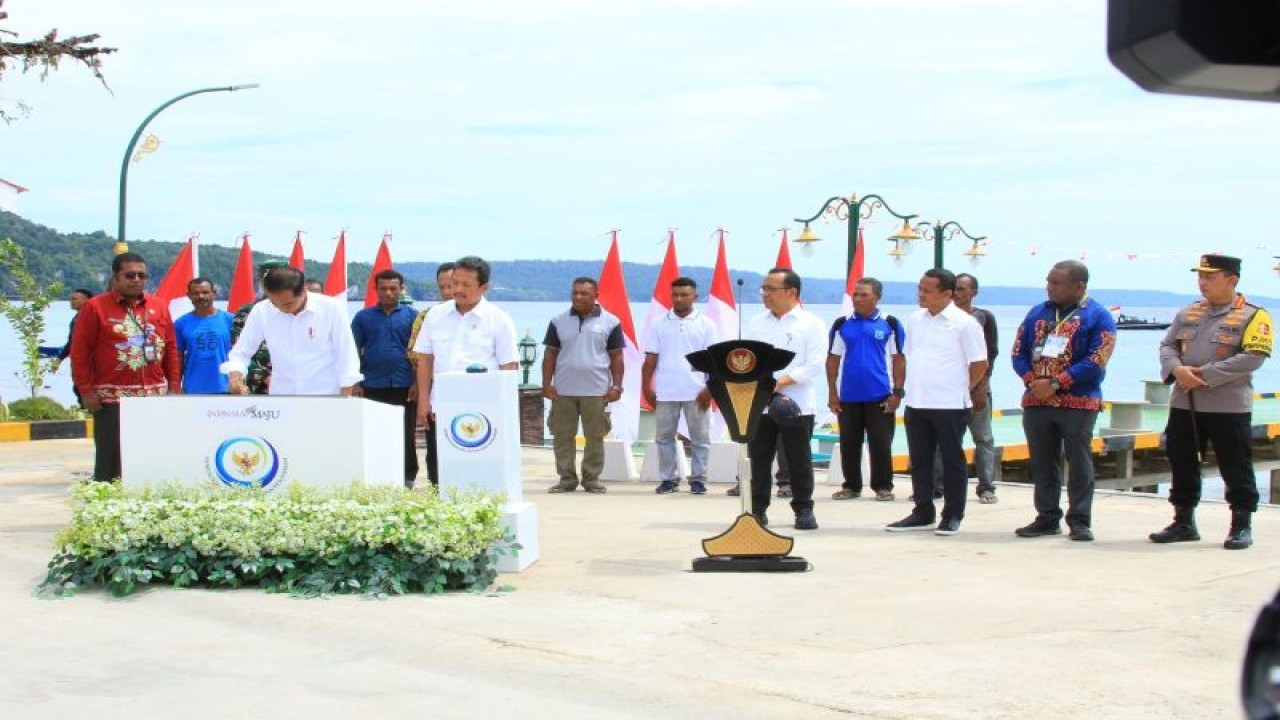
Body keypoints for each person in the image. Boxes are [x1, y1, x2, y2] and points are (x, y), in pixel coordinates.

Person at [1151, 254, 1272, 550]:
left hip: (1227, 405)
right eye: (1201, 276)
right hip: (1184, 402)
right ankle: (1183, 521)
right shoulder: (1189, 313)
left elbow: (1252, 357)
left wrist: (1204, 375)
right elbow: (1167, 345)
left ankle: (1241, 525)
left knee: (1235, 464)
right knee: (1181, 461)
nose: (1203, 283)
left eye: (1210, 277)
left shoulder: (1254, 315)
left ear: (1231, 279)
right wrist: (1177, 369)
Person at [1010, 260, 1116, 542]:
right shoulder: (1037, 313)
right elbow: (1018, 351)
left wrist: (1058, 382)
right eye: (1048, 281)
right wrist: (1033, 381)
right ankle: (1046, 517)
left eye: (1057, 283)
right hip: (1037, 400)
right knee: (1042, 461)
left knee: (1079, 461)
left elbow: (1098, 358)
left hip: (1078, 400)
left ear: (1079, 286)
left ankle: (1080, 520)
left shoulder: (1098, 316)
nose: (1050, 287)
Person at [886, 268, 988, 536]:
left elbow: (979, 363)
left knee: (953, 460)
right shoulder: (915, 319)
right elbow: (907, 356)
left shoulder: (965, 323)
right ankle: (922, 511)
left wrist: (964, 388)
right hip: (918, 401)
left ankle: (953, 514)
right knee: (920, 460)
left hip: (951, 404)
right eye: (919, 289)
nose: (921, 295)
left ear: (947, 293)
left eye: (927, 290)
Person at [70, 253, 182, 482]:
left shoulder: (159, 306)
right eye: (130, 275)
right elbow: (79, 352)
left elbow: (170, 348)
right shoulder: (94, 307)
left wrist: (174, 385)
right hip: (111, 399)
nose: (137, 280)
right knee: (110, 461)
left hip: (154, 396)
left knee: (151, 455)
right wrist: (86, 391)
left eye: (142, 275)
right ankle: (105, 508)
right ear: (116, 277)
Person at [412, 257, 519, 484]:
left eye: (466, 285)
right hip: (440, 406)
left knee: (480, 465)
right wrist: (423, 400)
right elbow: (425, 359)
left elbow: (508, 366)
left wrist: (506, 409)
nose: (457, 290)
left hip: (484, 410)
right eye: (454, 283)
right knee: (438, 466)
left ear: (484, 287)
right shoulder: (435, 315)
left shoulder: (499, 319)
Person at [745, 268, 826, 530]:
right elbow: (748, 358)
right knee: (759, 458)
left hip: (797, 403)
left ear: (791, 292)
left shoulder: (811, 323)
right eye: (764, 289)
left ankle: (803, 509)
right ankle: (757, 511)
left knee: (798, 459)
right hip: (760, 404)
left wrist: (779, 383)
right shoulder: (757, 322)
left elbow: (815, 363)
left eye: (771, 289)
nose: (765, 294)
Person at [223, 267, 362, 396]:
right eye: (274, 303)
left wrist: (346, 394)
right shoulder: (262, 310)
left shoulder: (332, 308)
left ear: (303, 290)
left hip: (326, 393)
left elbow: (346, 354)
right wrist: (235, 374)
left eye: (288, 304)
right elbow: (241, 352)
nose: (281, 309)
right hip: (282, 394)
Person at [542, 277, 625, 494]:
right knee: (562, 437)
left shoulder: (611, 322)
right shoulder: (558, 321)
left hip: (597, 391)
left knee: (595, 437)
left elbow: (616, 357)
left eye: (584, 293)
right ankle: (566, 479)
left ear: (596, 296)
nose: (578, 297)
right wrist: (546, 384)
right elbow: (550, 354)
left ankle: (591, 480)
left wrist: (617, 386)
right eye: (575, 293)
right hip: (563, 391)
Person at [826, 277, 905, 502]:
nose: (857, 299)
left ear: (877, 297)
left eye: (864, 295)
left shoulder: (889, 323)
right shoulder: (842, 324)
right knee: (849, 443)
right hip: (848, 397)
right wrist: (833, 393)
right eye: (855, 295)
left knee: (880, 444)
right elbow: (832, 360)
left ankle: (883, 486)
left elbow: (898, 359)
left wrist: (897, 392)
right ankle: (851, 486)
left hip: (879, 395)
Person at [642, 276, 719, 495]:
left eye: (684, 294)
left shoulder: (707, 324)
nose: (679, 298)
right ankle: (669, 479)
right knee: (664, 438)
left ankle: (698, 480)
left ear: (694, 296)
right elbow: (650, 360)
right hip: (666, 391)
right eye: (675, 294)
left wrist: (710, 388)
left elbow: (714, 361)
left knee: (700, 439)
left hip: (697, 391)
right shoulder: (659, 323)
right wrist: (646, 388)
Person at [929, 272, 1000, 503]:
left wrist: (980, 388)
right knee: (943, 439)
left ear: (973, 293)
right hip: (947, 391)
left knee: (983, 438)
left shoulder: (983, 318)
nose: (958, 293)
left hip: (977, 387)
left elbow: (989, 355)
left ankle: (986, 486)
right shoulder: (939, 318)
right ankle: (937, 485)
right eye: (955, 289)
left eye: (962, 289)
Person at [353, 269, 420, 487]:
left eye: (393, 288)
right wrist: (356, 381)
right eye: (383, 288)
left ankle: (407, 477)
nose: (388, 293)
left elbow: (420, 353)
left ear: (401, 289)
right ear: (376, 290)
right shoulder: (363, 317)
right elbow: (353, 349)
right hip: (373, 384)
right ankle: (375, 476)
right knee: (374, 433)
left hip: (404, 385)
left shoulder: (413, 316)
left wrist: (417, 383)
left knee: (406, 433)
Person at [408, 262, 455, 484]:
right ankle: (437, 490)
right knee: (435, 446)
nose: (447, 292)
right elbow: (418, 357)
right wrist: (422, 397)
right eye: (442, 287)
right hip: (437, 393)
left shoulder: (490, 316)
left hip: (472, 395)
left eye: (451, 286)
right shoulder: (429, 316)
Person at [230, 258, 291, 395]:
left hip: (292, 383)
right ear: (260, 280)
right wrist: (264, 377)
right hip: (255, 384)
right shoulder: (248, 311)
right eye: (268, 279)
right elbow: (239, 349)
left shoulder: (296, 308)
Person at [173, 278, 234, 394]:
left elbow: (241, 354)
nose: (201, 296)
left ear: (214, 293)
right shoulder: (181, 324)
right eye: (195, 293)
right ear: (189, 296)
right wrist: (176, 385)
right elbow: (178, 357)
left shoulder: (230, 320)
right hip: (193, 389)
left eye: (205, 292)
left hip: (225, 388)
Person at [53, 288, 93, 407]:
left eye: (74, 299)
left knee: (83, 389)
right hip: (79, 362)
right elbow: (71, 342)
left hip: (90, 362)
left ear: (86, 301)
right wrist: (59, 358)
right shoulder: (76, 318)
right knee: (78, 388)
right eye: (71, 298)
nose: (71, 301)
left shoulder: (89, 318)